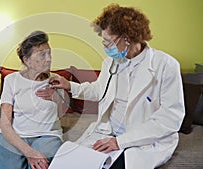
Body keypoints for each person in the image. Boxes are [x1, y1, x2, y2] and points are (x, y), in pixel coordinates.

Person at [38, 4, 185, 169]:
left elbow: (170, 119)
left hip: (143, 140)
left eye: (108, 41)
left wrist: (120, 142)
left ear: (127, 38)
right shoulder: (110, 63)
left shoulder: (165, 65)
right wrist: (69, 86)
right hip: (107, 133)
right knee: (68, 163)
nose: (104, 46)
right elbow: (101, 90)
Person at [0, 31, 64, 169]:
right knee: (11, 165)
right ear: (27, 60)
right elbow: (5, 124)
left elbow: (61, 113)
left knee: (41, 164)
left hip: (47, 135)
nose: (49, 59)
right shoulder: (11, 80)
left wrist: (56, 98)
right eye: (42, 54)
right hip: (16, 134)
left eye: (49, 53)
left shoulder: (56, 80)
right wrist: (29, 152)